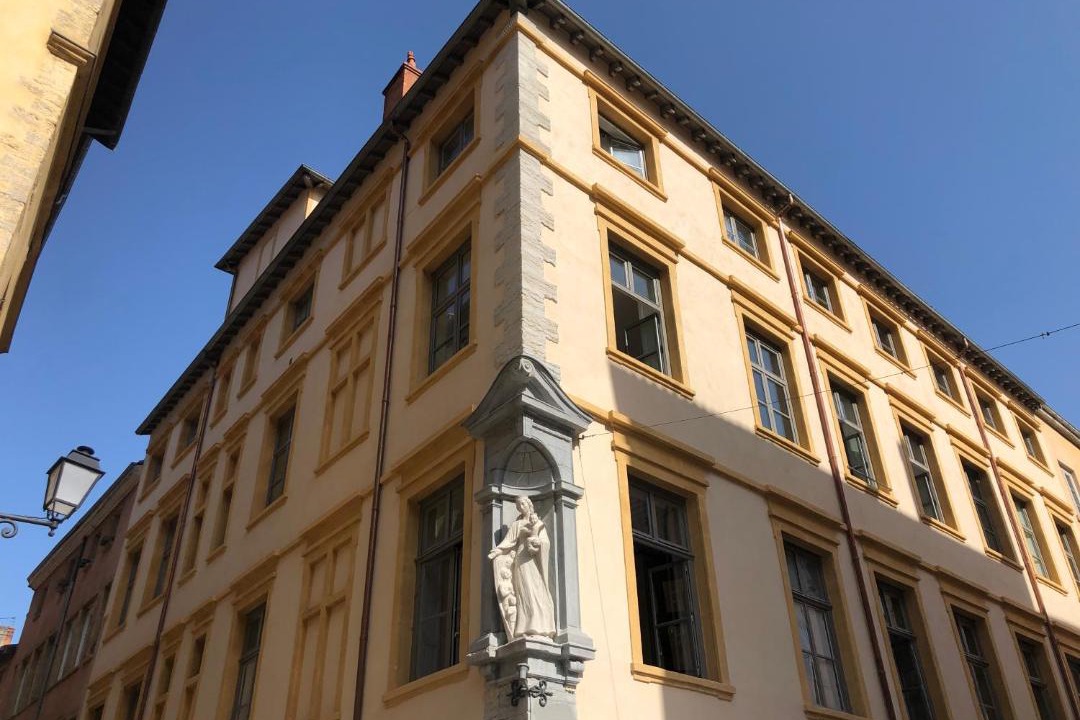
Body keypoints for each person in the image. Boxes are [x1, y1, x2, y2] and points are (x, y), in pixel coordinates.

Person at [488, 496, 556, 638]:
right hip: (521, 560)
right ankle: (525, 627)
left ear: (529, 504)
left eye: (523, 504)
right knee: (524, 592)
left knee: (536, 590)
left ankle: (540, 626)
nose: (521, 507)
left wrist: (538, 542)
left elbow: (545, 542)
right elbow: (508, 543)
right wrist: (497, 551)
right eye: (518, 505)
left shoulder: (538, 523)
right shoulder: (517, 525)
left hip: (533, 561)